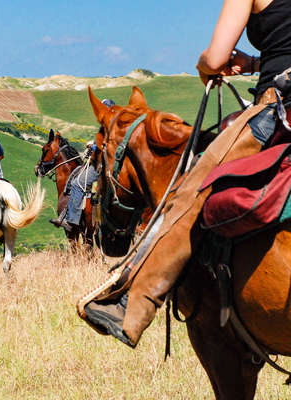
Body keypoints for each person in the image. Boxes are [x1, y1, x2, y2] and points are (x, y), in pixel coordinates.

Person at [81, 0, 291, 348]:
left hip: (277, 109)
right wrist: (255, 64)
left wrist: (206, 65)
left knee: (190, 193)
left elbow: (216, 57)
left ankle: (132, 306)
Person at [50, 99, 114, 231]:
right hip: (111, 161)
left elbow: (104, 144)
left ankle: (72, 221)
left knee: (77, 184)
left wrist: (93, 146)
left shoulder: (108, 124)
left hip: (102, 163)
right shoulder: (115, 123)